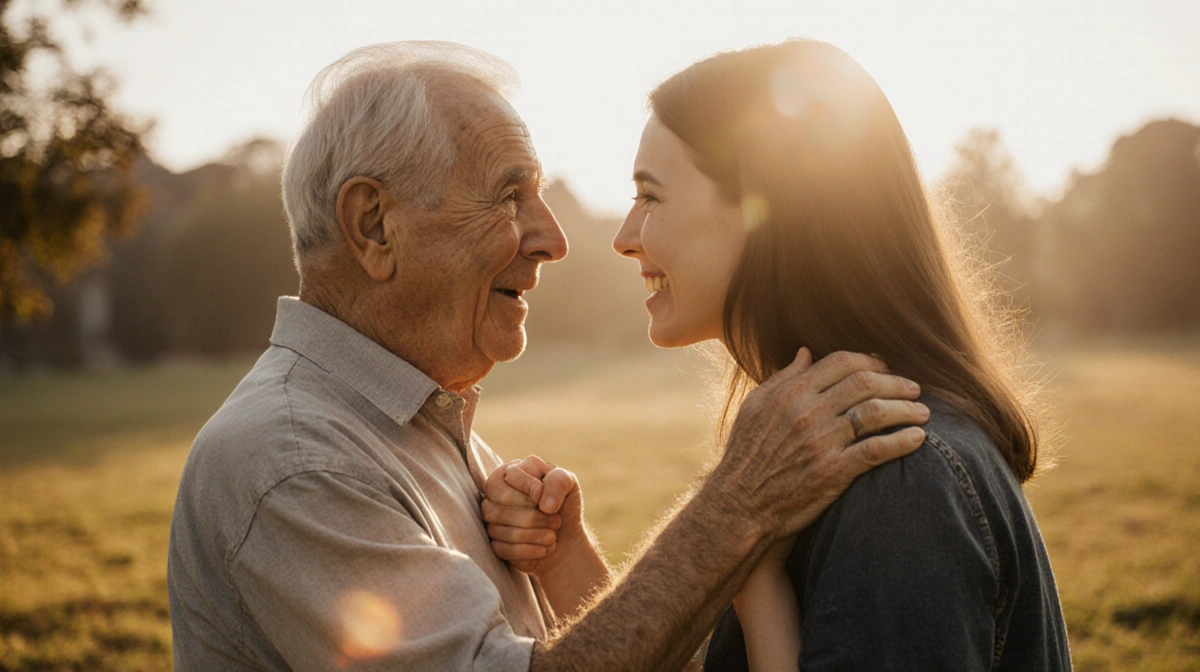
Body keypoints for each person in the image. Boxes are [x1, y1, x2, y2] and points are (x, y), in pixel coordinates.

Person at [166, 41, 932, 671]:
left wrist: (567, 563)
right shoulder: (293, 461)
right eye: (509, 197)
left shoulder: (415, 427)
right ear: (374, 227)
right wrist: (736, 509)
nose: (555, 240)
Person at [483, 39, 1072, 671]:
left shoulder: (900, 481)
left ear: (767, 215)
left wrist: (747, 543)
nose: (625, 239)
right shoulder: (819, 458)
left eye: (651, 196)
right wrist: (568, 557)